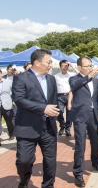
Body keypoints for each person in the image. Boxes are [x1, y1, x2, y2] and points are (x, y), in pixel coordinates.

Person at [12, 49, 59, 188]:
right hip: (27, 127)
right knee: (24, 160)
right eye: (48, 62)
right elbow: (19, 100)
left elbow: (53, 99)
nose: (51, 64)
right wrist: (43, 108)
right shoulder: (21, 78)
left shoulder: (51, 79)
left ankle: (48, 185)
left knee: (50, 161)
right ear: (37, 63)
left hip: (48, 127)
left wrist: (54, 113)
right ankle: (24, 181)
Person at [68, 56, 98, 187]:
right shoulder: (74, 79)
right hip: (80, 116)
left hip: (93, 115)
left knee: (96, 140)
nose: (90, 68)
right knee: (80, 144)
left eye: (90, 65)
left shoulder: (95, 81)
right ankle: (78, 173)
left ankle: (95, 162)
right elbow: (74, 86)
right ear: (79, 67)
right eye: (87, 66)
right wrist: (88, 76)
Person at [54, 60, 79, 136]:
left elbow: (79, 74)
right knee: (59, 112)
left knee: (69, 114)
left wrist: (71, 65)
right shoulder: (56, 76)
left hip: (69, 96)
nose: (64, 67)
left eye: (66, 66)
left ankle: (67, 129)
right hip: (60, 96)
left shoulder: (71, 75)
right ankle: (62, 125)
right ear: (60, 67)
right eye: (63, 66)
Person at [0, 69, 15, 146]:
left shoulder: (8, 82)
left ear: (1, 73)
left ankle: (11, 134)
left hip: (6, 104)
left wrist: (14, 100)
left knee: (9, 121)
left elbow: (14, 92)